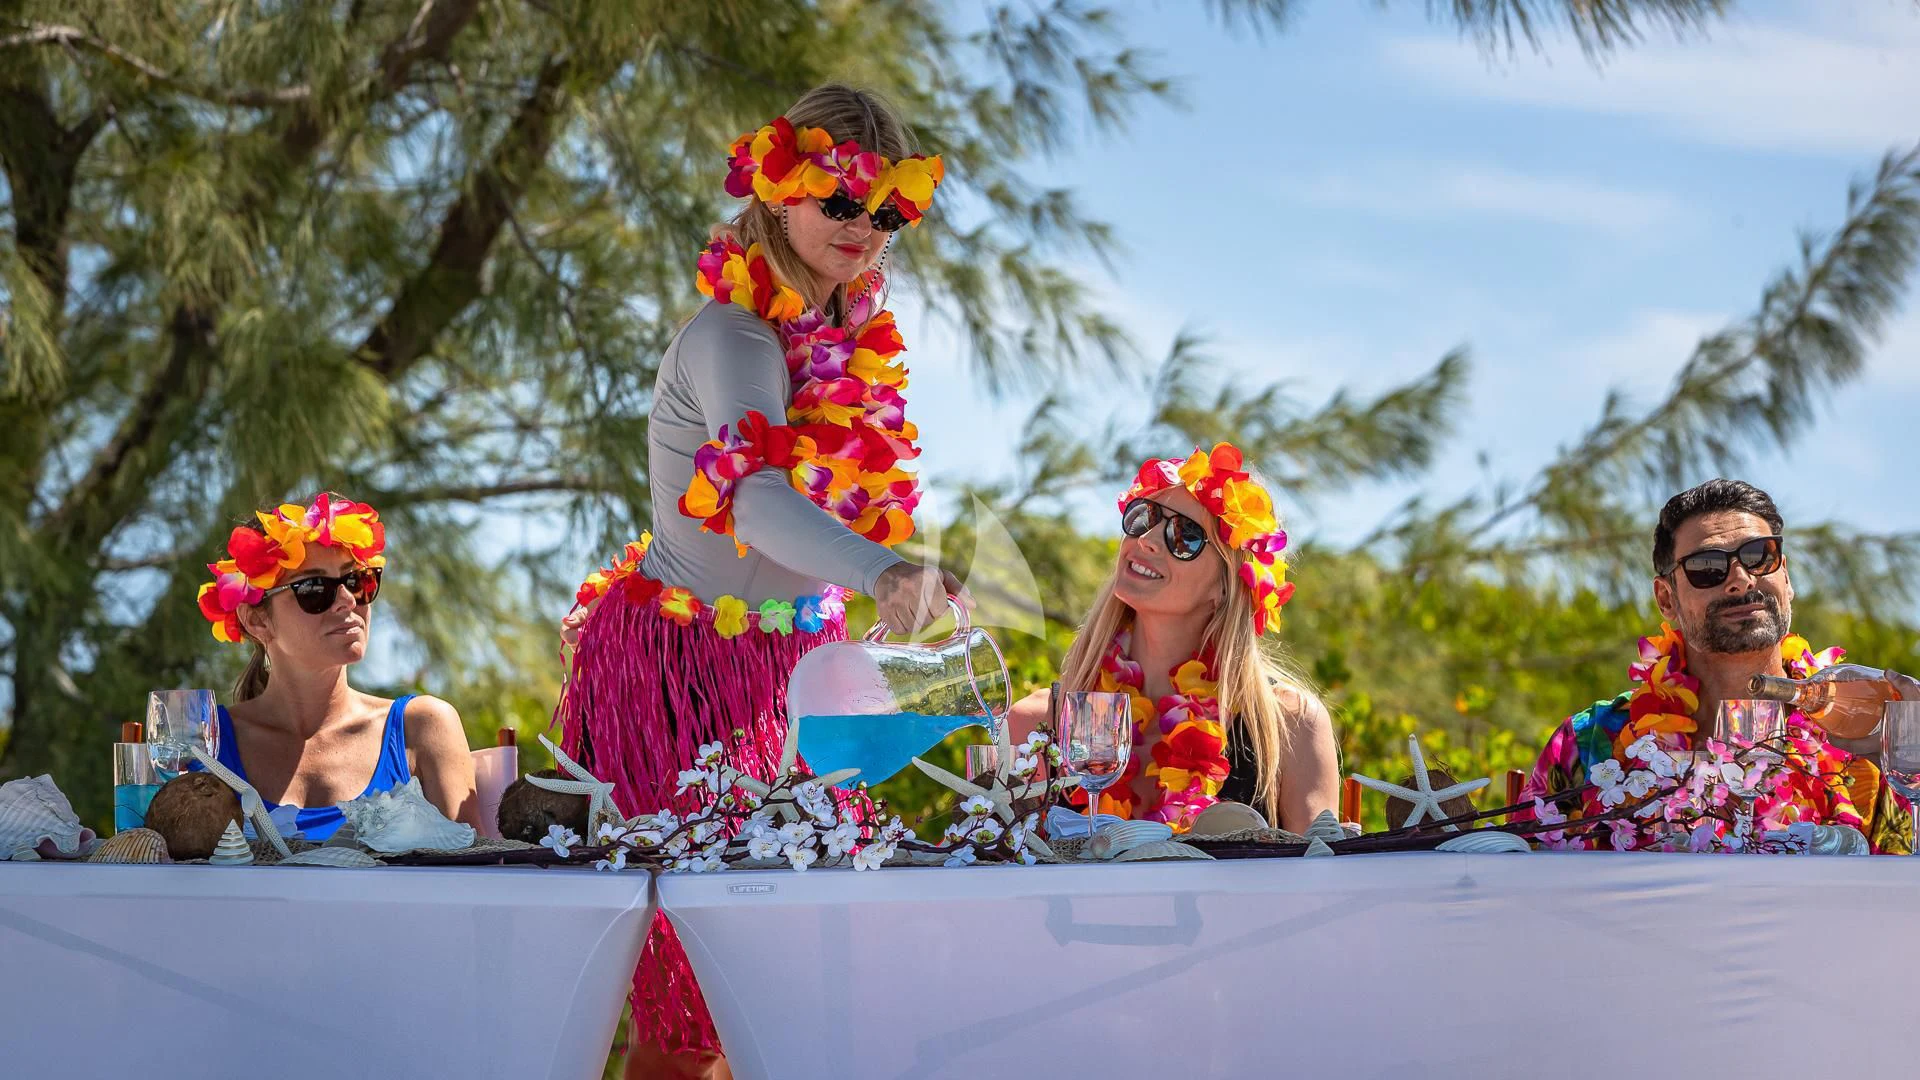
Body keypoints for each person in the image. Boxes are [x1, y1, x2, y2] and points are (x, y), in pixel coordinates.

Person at [555, 85, 964, 1079]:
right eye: (841, 200)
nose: (864, 228)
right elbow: (753, 500)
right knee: (692, 1013)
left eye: (887, 210)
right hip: (685, 676)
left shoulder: (839, 345)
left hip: (798, 671)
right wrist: (883, 570)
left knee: (801, 991)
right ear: (781, 188)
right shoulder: (734, 335)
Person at [1516, 478, 1911, 852]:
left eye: (1759, 557)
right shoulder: (1590, 743)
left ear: (1786, 577)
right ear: (1666, 598)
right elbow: (1518, 879)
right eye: (1707, 568)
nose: (1741, 580)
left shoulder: (1863, 745)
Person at [1008, 444, 1340, 833]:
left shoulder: (1290, 725)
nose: (1147, 539)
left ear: (1226, 585)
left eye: (1184, 535)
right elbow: (995, 862)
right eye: (1143, 517)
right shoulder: (1036, 725)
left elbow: (1319, 867)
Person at [194, 492, 478, 841]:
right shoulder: (203, 743)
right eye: (314, 588)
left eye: (357, 581)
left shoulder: (421, 728)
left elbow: (479, 868)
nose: (347, 600)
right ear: (257, 620)